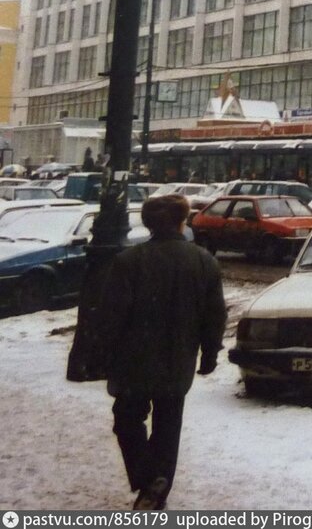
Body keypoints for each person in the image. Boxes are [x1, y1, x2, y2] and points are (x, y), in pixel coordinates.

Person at [96, 194, 227, 511]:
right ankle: (156, 488)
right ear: (183, 222)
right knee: (168, 426)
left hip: (133, 360)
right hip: (177, 359)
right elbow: (215, 315)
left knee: (126, 420)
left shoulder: (129, 261)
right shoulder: (203, 261)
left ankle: (147, 478)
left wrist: (105, 356)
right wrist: (209, 354)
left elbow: (111, 315)